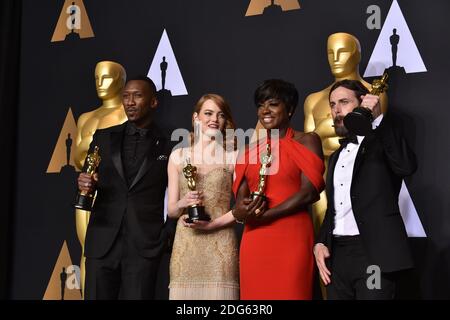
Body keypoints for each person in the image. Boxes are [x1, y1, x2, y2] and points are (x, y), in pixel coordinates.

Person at [313, 79, 417, 300]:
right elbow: (336, 207)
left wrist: (377, 119)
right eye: (332, 104)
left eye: (343, 102)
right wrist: (321, 241)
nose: (336, 110)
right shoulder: (335, 157)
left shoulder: (383, 143)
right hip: (338, 258)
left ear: (362, 103)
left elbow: (406, 166)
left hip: (373, 257)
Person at [77, 76, 173, 299]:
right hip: (102, 242)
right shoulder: (102, 138)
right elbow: (87, 181)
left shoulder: (169, 144)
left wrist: (166, 234)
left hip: (144, 245)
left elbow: (179, 193)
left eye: (137, 96)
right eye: (126, 96)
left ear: (153, 102)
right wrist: (84, 185)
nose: (130, 102)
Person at [232, 79, 325, 299]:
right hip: (255, 239)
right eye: (261, 105)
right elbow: (240, 198)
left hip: (292, 236)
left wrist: (268, 215)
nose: (265, 110)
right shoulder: (249, 150)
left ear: (290, 109)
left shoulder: (307, 140)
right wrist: (240, 211)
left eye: (273, 104)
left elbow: (309, 192)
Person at [303, 33, 388, 233]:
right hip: (324, 177)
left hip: (360, 173)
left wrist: (324, 129)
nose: (335, 58)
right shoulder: (313, 100)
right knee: (323, 237)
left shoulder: (374, 93)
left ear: (357, 55)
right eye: (331, 53)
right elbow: (309, 149)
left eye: (342, 52)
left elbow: (372, 133)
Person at [167, 94, 239, 300]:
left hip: (221, 244)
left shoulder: (233, 157)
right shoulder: (177, 157)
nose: (214, 119)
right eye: (208, 113)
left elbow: (244, 207)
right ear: (196, 118)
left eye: (220, 115)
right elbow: (172, 210)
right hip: (186, 245)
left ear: (226, 122)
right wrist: (184, 202)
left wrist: (215, 224)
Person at [73, 61, 128, 296]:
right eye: (97, 78)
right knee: (86, 251)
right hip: (86, 190)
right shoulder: (85, 118)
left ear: (120, 81)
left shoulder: (125, 113)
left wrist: (89, 145)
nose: (100, 84)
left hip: (112, 193)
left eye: (106, 78)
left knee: (112, 255)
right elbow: (77, 159)